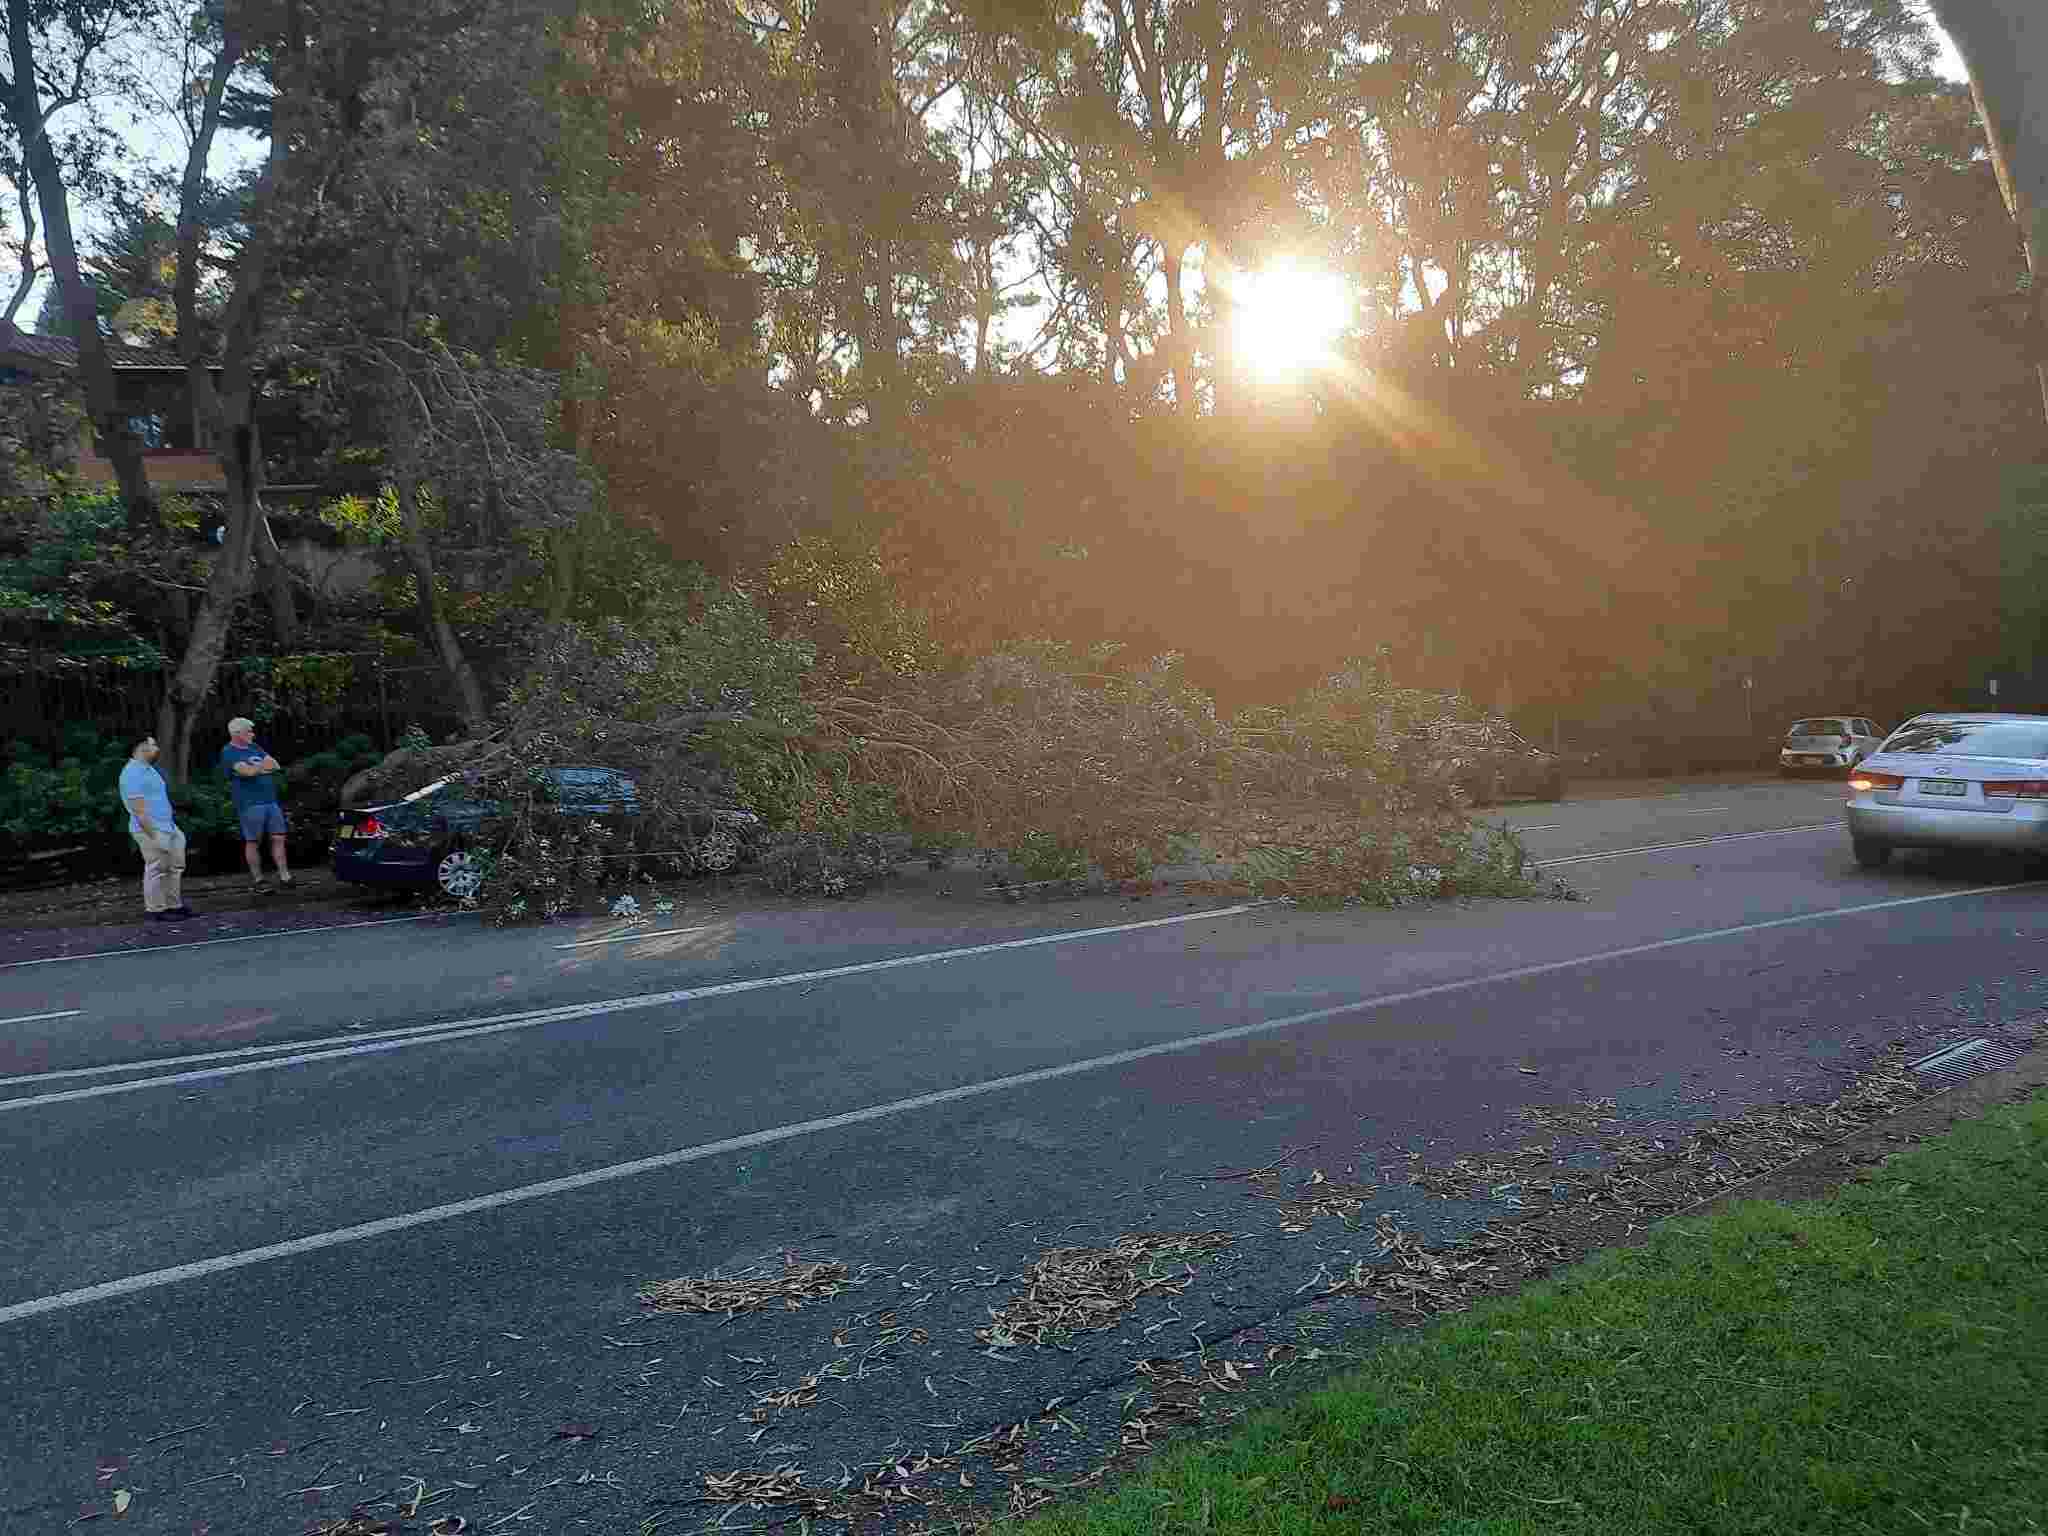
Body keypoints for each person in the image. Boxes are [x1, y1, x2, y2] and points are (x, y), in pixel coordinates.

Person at [119, 734, 192, 922]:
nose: (157, 748)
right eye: (153, 745)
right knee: (156, 868)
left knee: (175, 866)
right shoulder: (131, 774)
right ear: (141, 747)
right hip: (150, 829)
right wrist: (153, 836)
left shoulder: (149, 770)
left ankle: (174, 906)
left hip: (168, 827)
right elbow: (139, 812)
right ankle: (155, 910)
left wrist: (173, 828)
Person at [220, 717, 294, 889]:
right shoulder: (229, 751)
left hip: (270, 800)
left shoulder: (255, 747)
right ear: (237, 733)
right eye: (249, 731)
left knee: (278, 837)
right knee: (253, 840)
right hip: (250, 803)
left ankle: (285, 876)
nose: (252, 734)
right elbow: (246, 772)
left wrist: (257, 768)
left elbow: (275, 765)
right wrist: (260, 767)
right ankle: (258, 879)